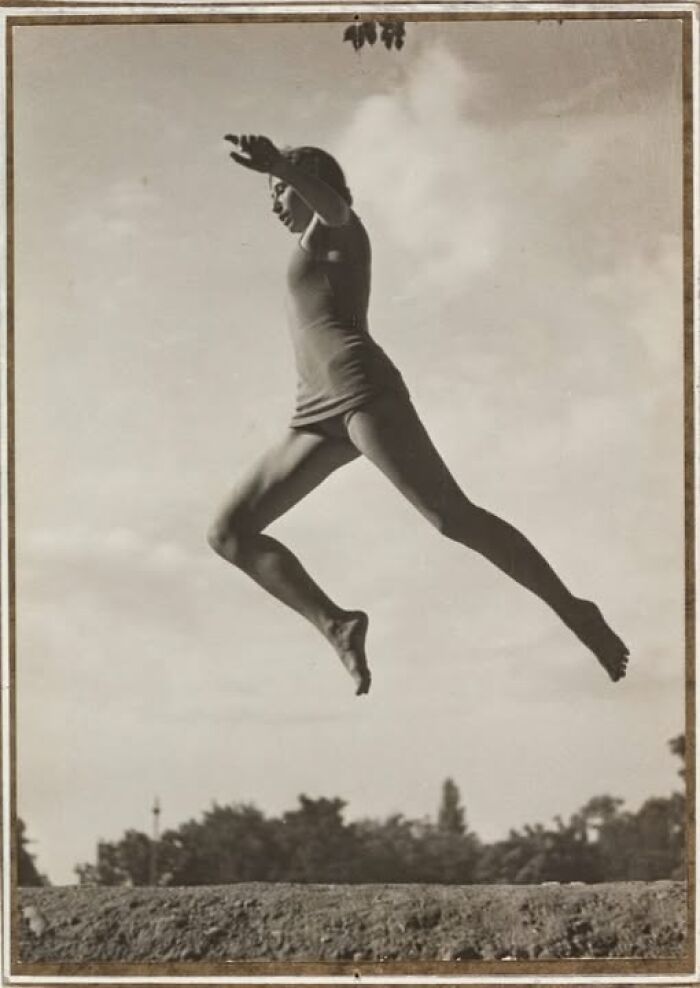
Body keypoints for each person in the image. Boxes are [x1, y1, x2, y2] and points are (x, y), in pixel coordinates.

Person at [207, 133, 629, 696]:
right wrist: (280, 172)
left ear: (309, 185)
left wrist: (282, 163)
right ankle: (336, 623)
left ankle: (576, 611)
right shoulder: (309, 242)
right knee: (230, 532)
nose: (274, 203)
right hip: (312, 414)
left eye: (279, 190)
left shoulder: (339, 230)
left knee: (452, 518)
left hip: (362, 392)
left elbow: (336, 205)